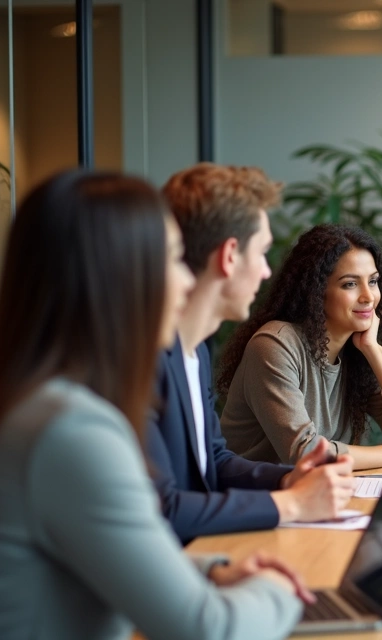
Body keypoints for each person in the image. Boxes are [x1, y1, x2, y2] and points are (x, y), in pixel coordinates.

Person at [0, 170, 309, 639]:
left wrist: (211, 572)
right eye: (175, 259)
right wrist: (282, 586)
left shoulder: (28, 407)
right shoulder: (71, 432)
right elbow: (209, 630)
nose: (185, 282)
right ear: (123, 277)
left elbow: (89, 562)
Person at [149, 163, 357, 544]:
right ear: (230, 256)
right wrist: (290, 504)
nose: (265, 272)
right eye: (262, 253)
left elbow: (214, 462)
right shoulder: (145, 363)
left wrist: (287, 479)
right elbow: (163, 509)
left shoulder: (193, 354)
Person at [219, 224, 382, 467]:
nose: (368, 296)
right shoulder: (275, 345)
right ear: (317, 291)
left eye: (373, 281)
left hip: (321, 494)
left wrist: (374, 350)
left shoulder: (356, 354)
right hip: (258, 497)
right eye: (350, 284)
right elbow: (307, 453)